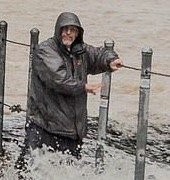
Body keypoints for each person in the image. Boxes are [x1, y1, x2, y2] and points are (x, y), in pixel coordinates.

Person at [23, 11, 122, 158]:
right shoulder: (45, 51)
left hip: (72, 132)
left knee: (65, 176)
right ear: (58, 30)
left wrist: (111, 60)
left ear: (78, 33)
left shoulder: (80, 50)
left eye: (73, 30)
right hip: (45, 128)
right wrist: (84, 87)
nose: (68, 33)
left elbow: (99, 54)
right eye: (65, 29)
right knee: (28, 173)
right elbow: (59, 79)